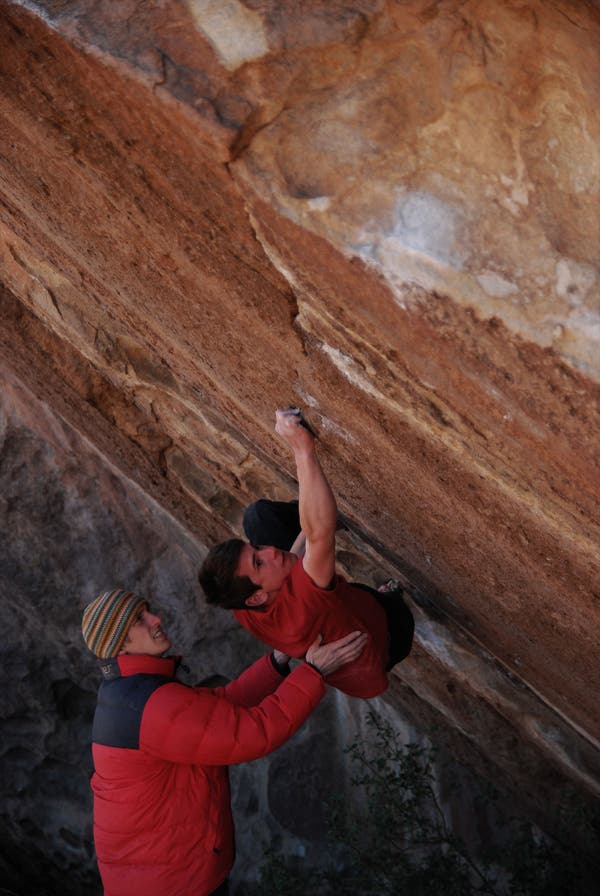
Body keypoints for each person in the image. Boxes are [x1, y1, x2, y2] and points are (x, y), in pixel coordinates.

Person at [81, 588, 367, 896]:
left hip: (157, 877)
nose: (155, 619)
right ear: (118, 646)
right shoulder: (149, 705)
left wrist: (279, 661)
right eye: (139, 619)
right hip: (171, 884)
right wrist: (314, 671)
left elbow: (220, 707)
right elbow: (252, 734)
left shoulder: (127, 693)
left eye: (148, 610)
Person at [199, 408, 414, 700]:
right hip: (391, 634)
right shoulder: (305, 605)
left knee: (258, 519)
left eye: (258, 549)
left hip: (333, 618)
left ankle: (316, 511)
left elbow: (313, 537)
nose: (272, 552)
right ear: (257, 596)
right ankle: (390, 595)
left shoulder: (240, 604)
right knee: (326, 552)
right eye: (259, 562)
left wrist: (314, 526)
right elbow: (319, 533)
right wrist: (302, 449)